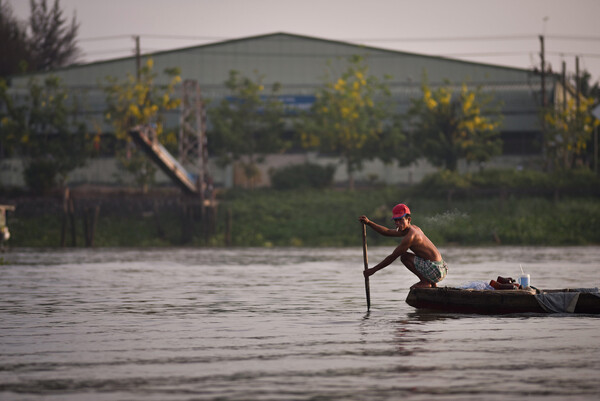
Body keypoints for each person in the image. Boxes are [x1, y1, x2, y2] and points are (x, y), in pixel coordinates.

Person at [359, 203, 448, 289]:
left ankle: (425, 282)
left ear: (408, 220)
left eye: (400, 220)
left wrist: (373, 270)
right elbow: (387, 232)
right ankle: (432, 283)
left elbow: (393, 257)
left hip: (436, 270)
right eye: (395, 220)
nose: (397, 223)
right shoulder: (413, 228)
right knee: (419, 255)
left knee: (405, 257)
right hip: (441, 269)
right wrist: (369, 222)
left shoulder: (411, 236)